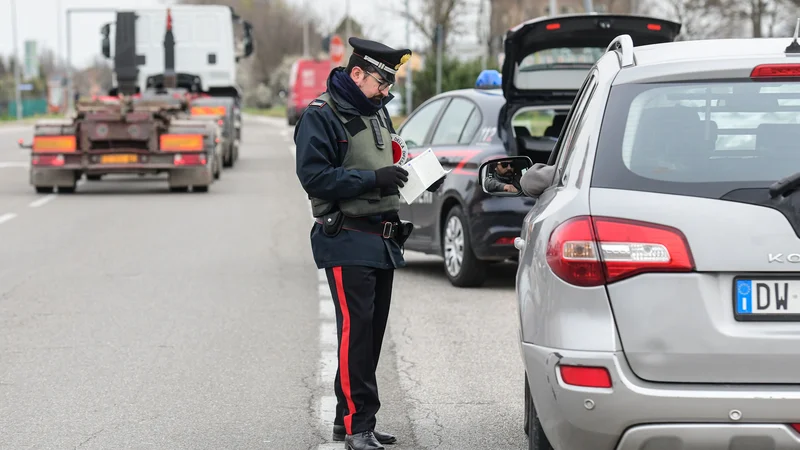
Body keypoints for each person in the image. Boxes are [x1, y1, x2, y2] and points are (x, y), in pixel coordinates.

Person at [294, 37, 444, 450]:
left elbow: (392, 160)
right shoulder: (320, 116)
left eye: (389, 85)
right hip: (346, 237)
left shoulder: (376, 114)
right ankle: (358, 427)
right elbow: (315, 177)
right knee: (355, 335)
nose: (386, 92)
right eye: (381, 82)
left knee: (370, 336)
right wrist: (371, 179)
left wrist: (419, 175)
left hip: (382, 238)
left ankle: (355, 422)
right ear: (356, 73)